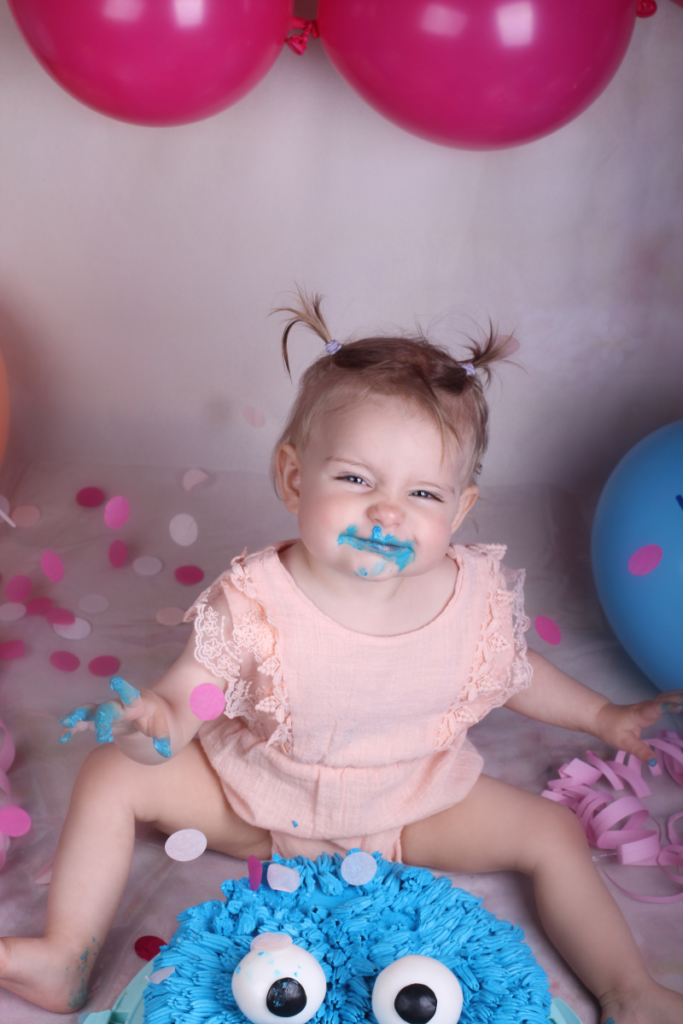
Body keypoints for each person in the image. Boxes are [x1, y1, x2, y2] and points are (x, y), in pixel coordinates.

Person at [0, 293, 681, 1024]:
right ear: (295, 479)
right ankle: (63, 956)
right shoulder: (259, 599)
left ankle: (627, 990)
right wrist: (149, 721)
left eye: (421, 492)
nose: (386, 512)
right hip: (257, 798)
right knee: (112, 776)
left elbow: (516, 673)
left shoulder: (471, 597)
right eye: (356, 479)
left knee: (548, 833)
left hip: (417, 804)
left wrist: (602, 714)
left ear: (456, 510)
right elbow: (194, 694)